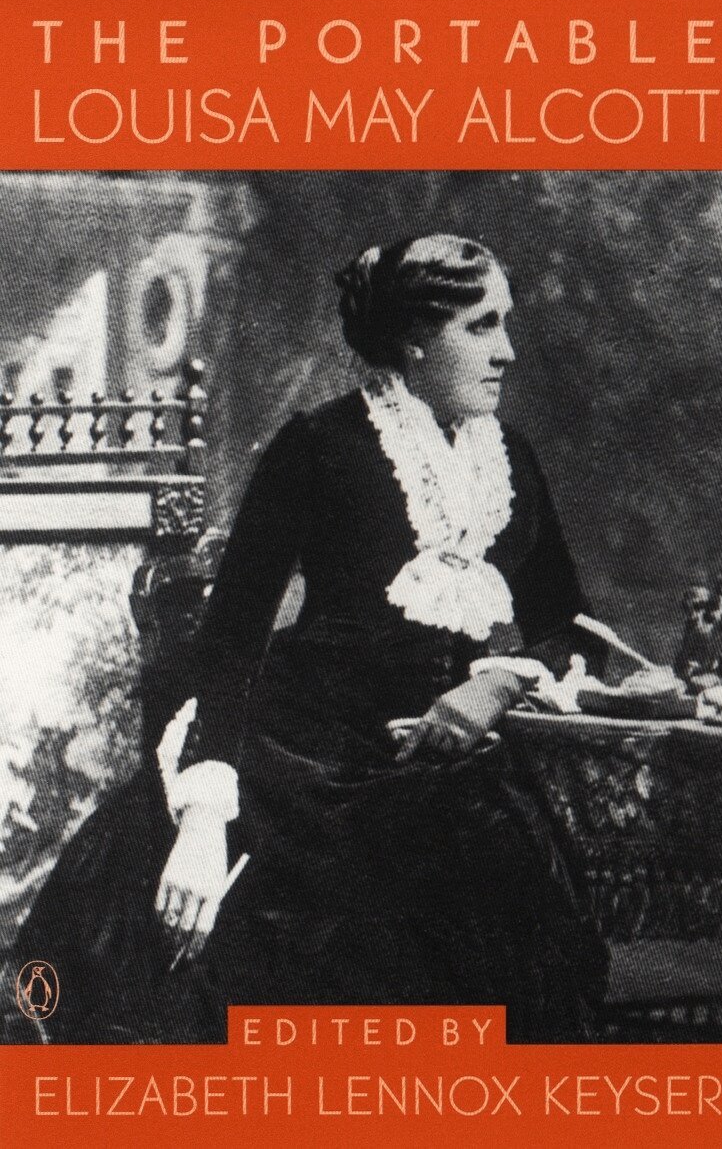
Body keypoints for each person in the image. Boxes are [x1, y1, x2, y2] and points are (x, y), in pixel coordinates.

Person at [11, 234, 608, 1044]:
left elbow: (570, 632)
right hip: (299, 771)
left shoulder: (511, 460)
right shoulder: (321, 446)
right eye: (481, 326)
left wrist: (495, 684)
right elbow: (229, 643)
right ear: (414, 339)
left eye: (504, 323)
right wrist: (204, 820)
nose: (506, 351)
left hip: (451, 773)